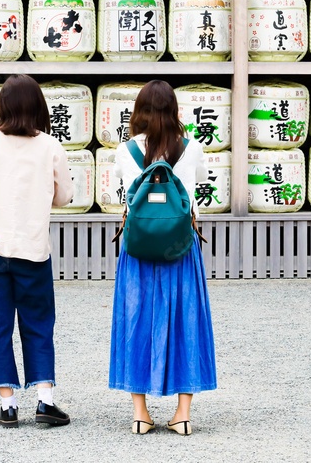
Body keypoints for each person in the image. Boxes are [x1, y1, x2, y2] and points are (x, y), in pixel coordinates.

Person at [0, 74, 75, 429]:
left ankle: (8, 406)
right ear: (39, 106)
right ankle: (45, 401)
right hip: (32, 249)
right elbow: (65, 197)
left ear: (2, 106)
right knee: (38, 323)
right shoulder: (50, 146)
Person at [109, 80, 217, 436]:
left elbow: (120, 188)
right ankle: (182, 414)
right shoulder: (192, 148)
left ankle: (141, 413)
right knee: (186, 321)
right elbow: (197, 183)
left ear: (138, 112)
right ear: (174, 111)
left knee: (135, 320)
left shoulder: (125, 150)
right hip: (180, 248)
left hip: (138, 249)